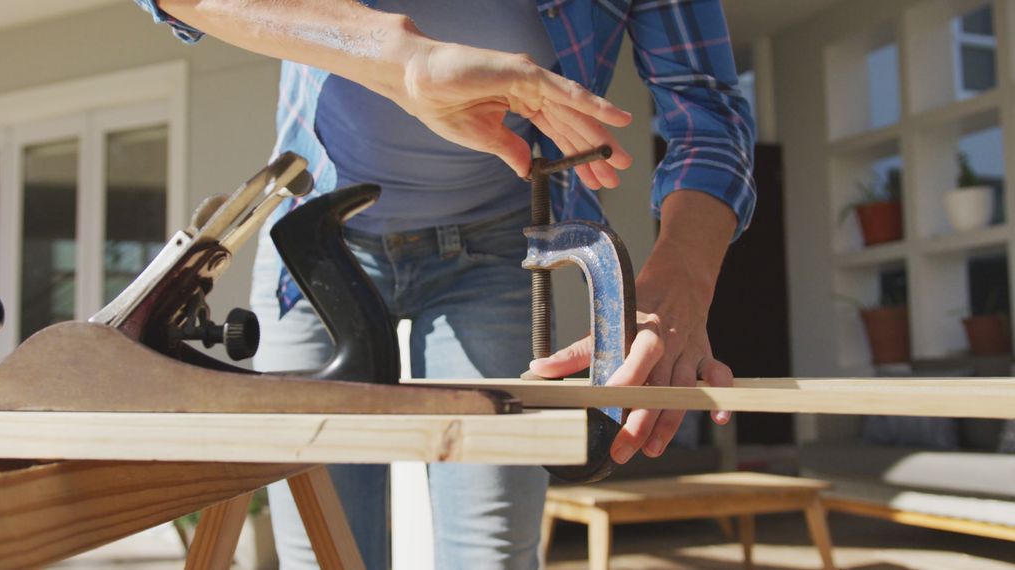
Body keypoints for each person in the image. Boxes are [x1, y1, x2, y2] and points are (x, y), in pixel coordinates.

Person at [134, 1, 755, 568]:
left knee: (490, 552)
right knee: (325, 550)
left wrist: (680, 282)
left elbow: (707, 113)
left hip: (496, 252)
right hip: (319, 251)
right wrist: (397, 56)